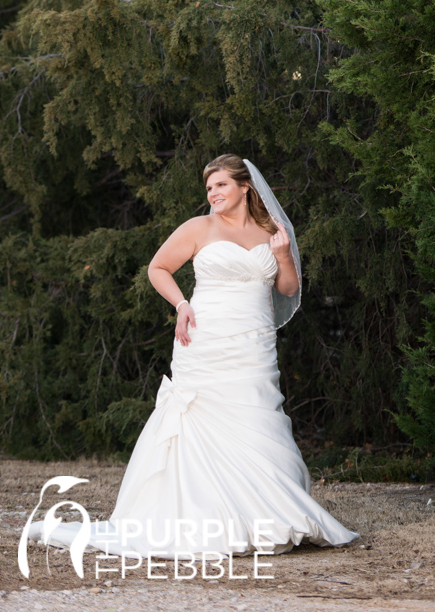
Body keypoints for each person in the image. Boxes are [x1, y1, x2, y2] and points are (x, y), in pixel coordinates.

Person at [27, 154, 358, 561]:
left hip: (253, 344)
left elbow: (288, 289)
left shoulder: (272, 231)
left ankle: (265, 516)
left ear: (244, 187)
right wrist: (182, 304)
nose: (213, 193)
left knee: (256, 416)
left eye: (220, 185)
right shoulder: (199, 228)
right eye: (209, 188)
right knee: (199, 419)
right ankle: (202, 518)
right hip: (205, 339)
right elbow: (158, 268)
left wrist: (285, 254)